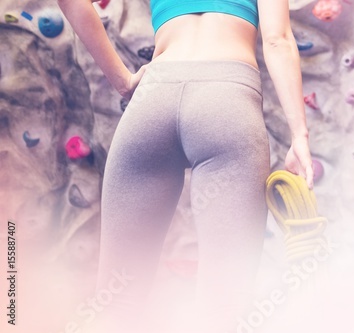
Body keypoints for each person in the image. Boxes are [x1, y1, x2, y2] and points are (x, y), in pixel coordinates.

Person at [57, 0, 316, 331]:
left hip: (154, 97)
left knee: (117, 303)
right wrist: (300, 137)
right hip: (226, 99)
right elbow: (278, 39)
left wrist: (122, 80)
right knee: (225, 308)